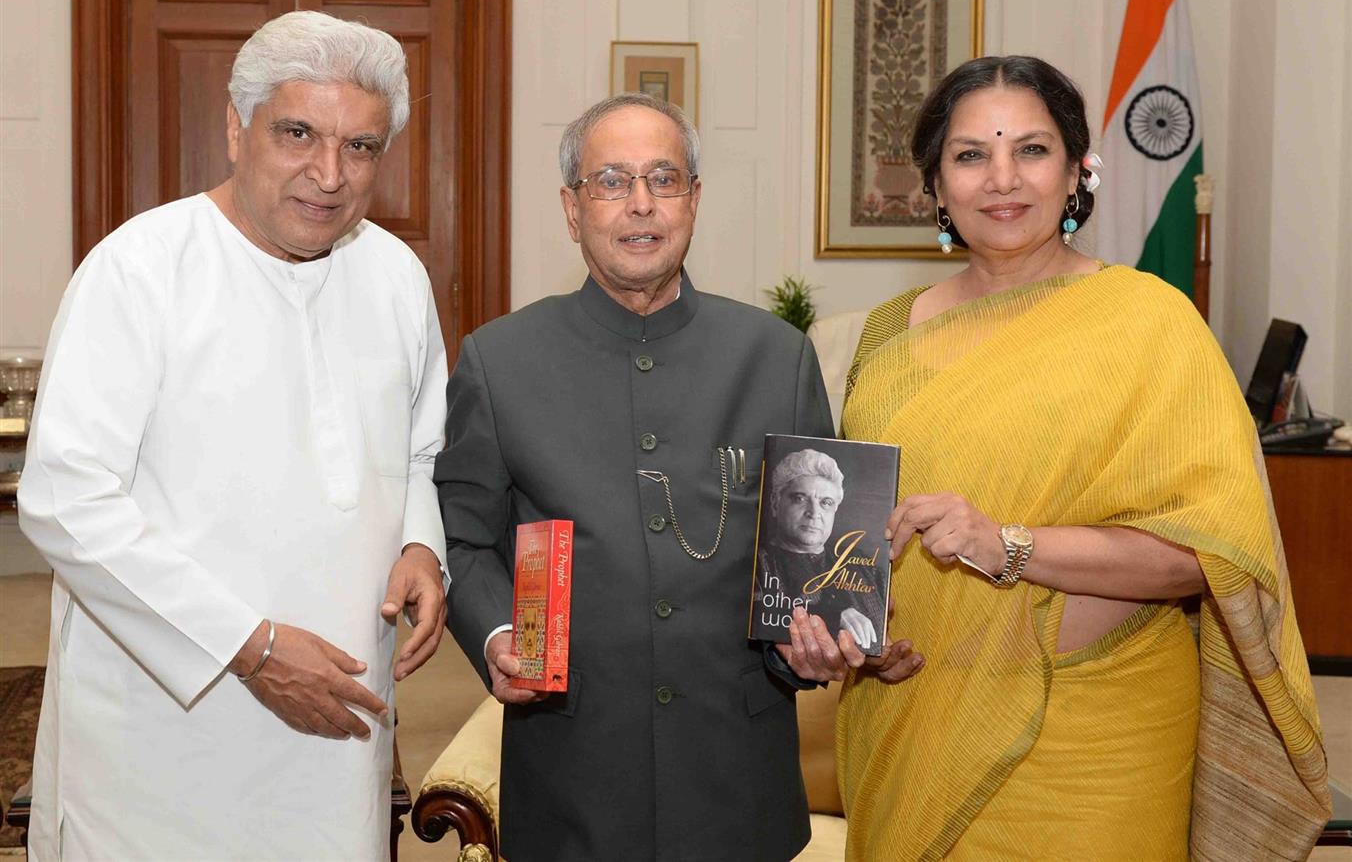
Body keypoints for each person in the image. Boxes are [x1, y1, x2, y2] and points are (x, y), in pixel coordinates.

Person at [835, 55, 1330, 860]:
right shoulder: (889, 335)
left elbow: (1212, 556)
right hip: (912, 717)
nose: (1003, 178)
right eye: (970, 155)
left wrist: (1007, 546)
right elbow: (861, 538)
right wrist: (854, 630)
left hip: (1094, 741)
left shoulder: (1150, 324)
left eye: (1031, 150)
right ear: (934, 186)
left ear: (1076, 173)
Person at [18, 11, 449, 860]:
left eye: (360, 147)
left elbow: (419, 451)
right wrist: (247, 648)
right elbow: (65, 501)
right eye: (298, 133)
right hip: (166, 733)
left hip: (337, 729)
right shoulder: (140, 270)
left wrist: (420, 546)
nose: (329, 174)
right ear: (234, 127)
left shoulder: (396, 276)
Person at [435, 92, 879, 861]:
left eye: (663, 179)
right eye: (611, 181)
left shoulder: (776, 358)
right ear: (573, 209)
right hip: (571, 771)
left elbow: (815, 559)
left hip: (737, 778)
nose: (640, 205)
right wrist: (501, 632)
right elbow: (463, 537)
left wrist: (810, 639)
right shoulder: (499, 361)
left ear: (694, 200)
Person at [758, 448, 882, 652]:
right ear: (774, 503)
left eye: (825, 502)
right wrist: (831, 617)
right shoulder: (759, 564)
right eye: (799, 498)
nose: (814, 513)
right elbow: (761, 617)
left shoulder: (864, 567)